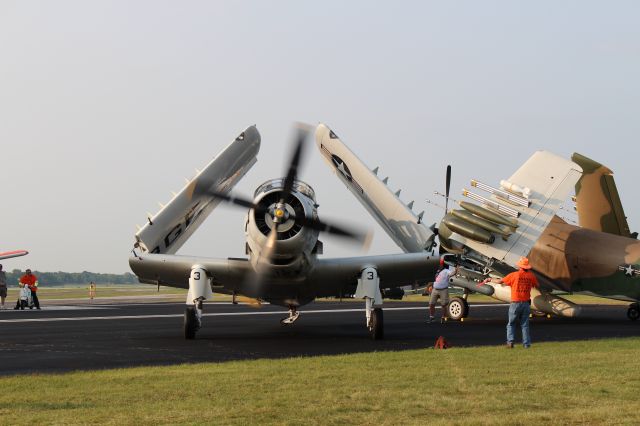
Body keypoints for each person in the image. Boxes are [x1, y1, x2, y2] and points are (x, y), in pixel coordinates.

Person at [481, 257, 539, 348]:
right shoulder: (531, 276)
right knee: (525, 325)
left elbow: (500, 281)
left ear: (520, 266)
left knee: (511, 324)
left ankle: (510, 342)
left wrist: (489, 279)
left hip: (515, 303)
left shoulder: (514, 275)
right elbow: (536, 285)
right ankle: (526, 344)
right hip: (526, 303)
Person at [428, 258, 458, 323]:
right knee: (431, 304)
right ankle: (431, 317)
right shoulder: (437, 271)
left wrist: (456, 269)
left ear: (443, 265)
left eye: (440, 264)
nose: (439, 265)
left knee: (444, 305)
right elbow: (434, 279)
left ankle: (444, 317)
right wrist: (431, 286)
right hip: (435, 289)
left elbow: (452, 273)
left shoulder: (446, 271)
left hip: (443, 290)